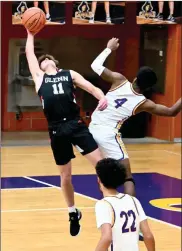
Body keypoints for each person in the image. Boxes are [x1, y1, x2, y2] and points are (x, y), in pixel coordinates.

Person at [25, 30, 108, 237]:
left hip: (76, 125)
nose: (43, 61)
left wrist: (102, 97)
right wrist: (30, 33)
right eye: (41, 60)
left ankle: (110, 206)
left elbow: (90, 87)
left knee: (102, 166)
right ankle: (72, 213)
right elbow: (30, 54)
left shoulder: (68, 74)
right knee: (65, 176)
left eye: (47, 59)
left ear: (55, 63)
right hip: (56, 129)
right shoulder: (39, 77)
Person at [89, 37, 182, 197]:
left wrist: (109, 48)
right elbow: (171, 111)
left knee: (104, 171)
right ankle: (129, 208)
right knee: (127, 177)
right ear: (148, 88)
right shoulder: (144, 103)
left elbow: (95, 66)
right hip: (108, 134)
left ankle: (109, 201)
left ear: (135, 78)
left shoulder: (119, 80)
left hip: (91, 128)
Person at [95, 158, 155, 251]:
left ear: (99, 180)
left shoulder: (103, 204)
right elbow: (148, 235)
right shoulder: (133, 200)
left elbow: (106, 237)